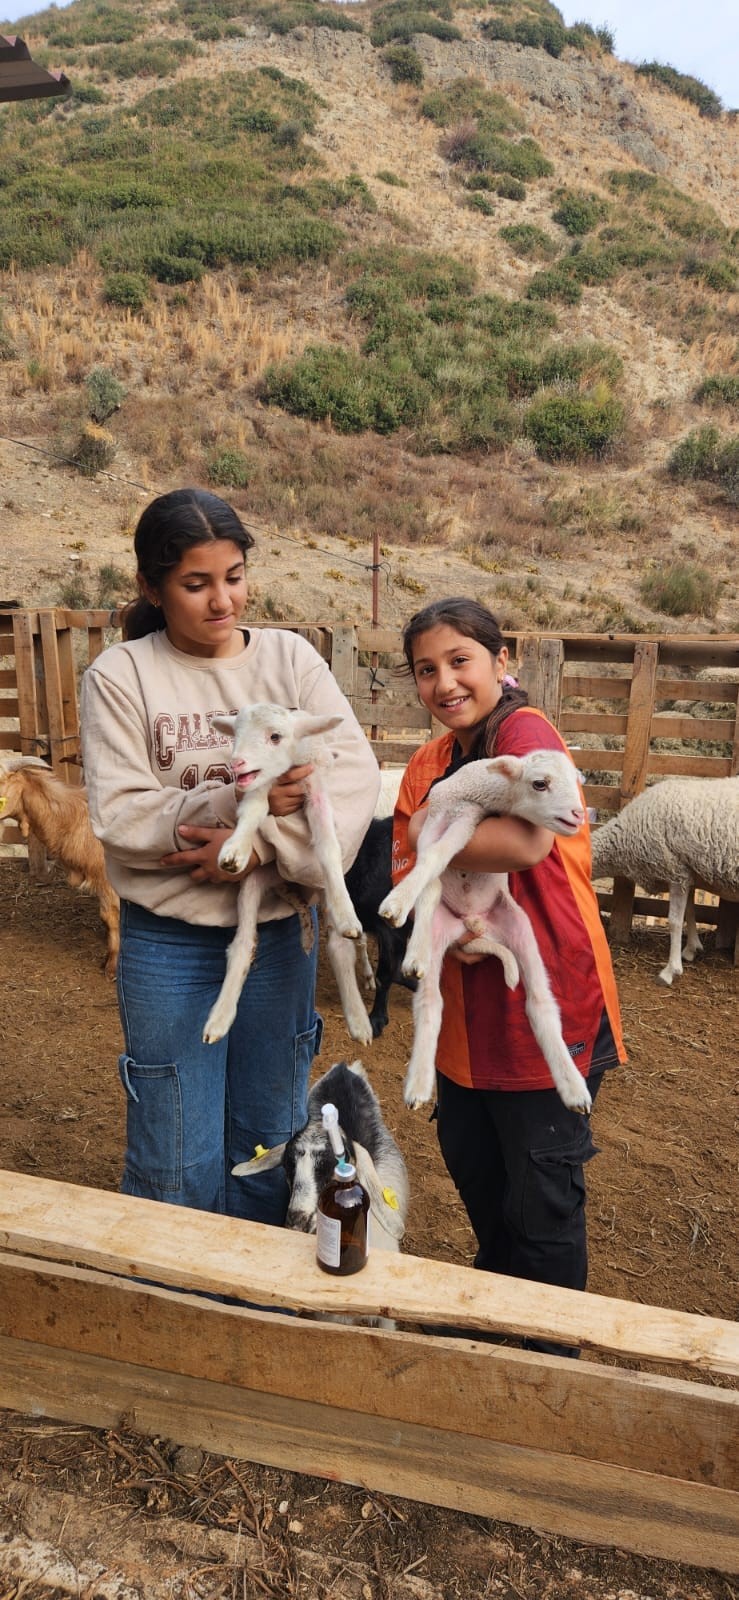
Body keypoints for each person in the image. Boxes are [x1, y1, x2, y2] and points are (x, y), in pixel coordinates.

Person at [80, 487, 380, 1226]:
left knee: (266, 1135)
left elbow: (352, 778)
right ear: (151, 586)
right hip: (169, 941)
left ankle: (247, 1304)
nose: (223, 601)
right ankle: (177, 1306)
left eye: (235, 576)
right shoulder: (122, 677)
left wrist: (253, 850)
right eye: (196, 583)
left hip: (278, 934)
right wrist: (226, 811)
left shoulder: (289, 659)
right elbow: (120, 816)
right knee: (173, 1146)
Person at [392, 598, 626, 1346]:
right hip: (463, 1021)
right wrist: (427, 847)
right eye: (425, 670)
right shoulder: (430, 762)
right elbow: (400, 861)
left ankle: (547, 1358)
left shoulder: (526, 736)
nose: (444, 682)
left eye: (459, 660)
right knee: (481, 1182)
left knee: (542, 1204)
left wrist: (435, 833)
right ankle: (501, 1339)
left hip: (545, 1004)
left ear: (501, 660)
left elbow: (524, 845)